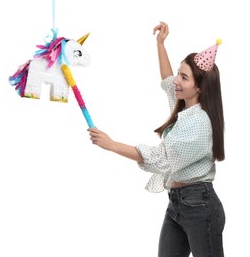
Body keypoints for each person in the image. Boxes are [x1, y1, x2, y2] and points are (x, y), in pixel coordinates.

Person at [88, 21, 226, 257]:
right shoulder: (184, 105)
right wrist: (161, 44)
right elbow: (167, 81)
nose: (176, 82)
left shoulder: (199, 124)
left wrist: (112, 145)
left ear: (200, 88)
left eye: (184, 77)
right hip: (177, 204)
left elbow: (159, 159)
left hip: (200, 207)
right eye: (179, 75)